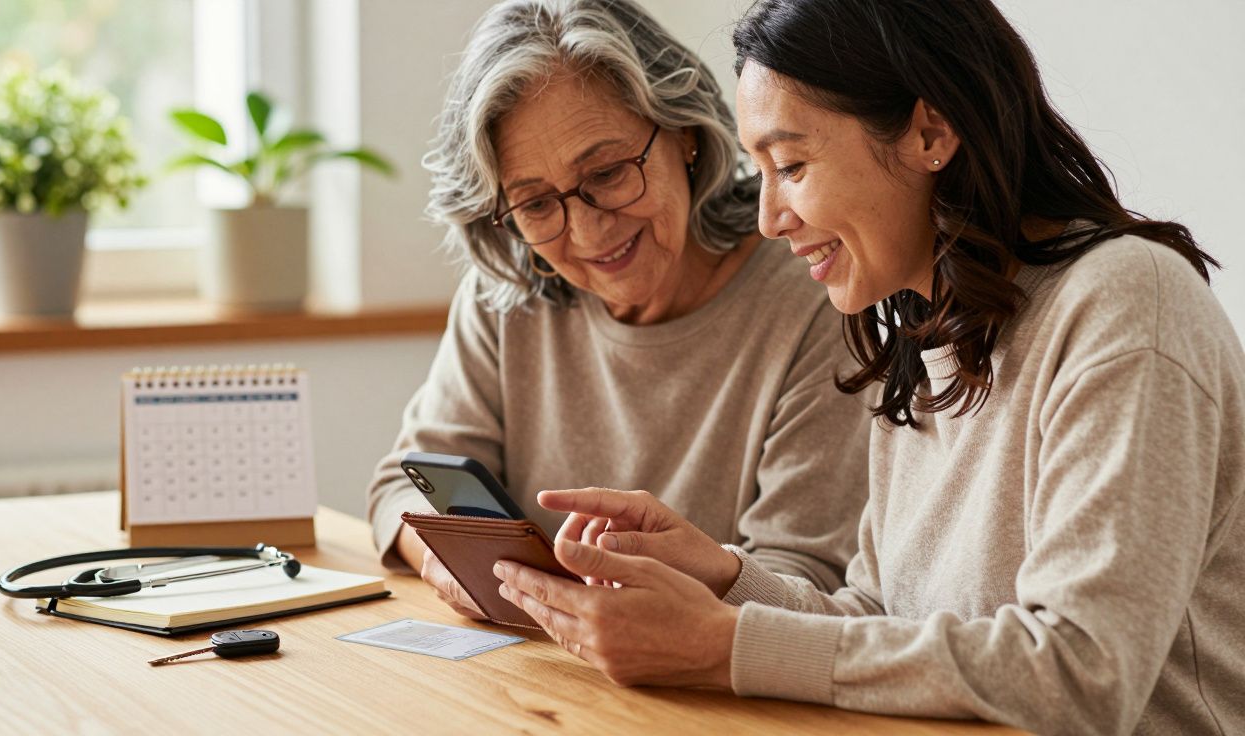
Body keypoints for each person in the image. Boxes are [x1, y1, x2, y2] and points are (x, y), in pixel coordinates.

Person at [491, 0, 1245, 733]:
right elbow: (881, 623)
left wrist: (723, 646)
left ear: (929, 132)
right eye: (761, 170)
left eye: (791, 165)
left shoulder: (1125, 304)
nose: (769, 218)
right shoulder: (924, 334)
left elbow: (1083, 673)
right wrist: (722, 576)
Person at [367, 0, 872, 620]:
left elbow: (803, 581)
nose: (586, 232)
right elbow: (402, 489)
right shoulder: (507, 293)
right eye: (535, 204)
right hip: (535, 659)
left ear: (686, 135)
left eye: (607, 173)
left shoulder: (817, 298)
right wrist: (450, 560)